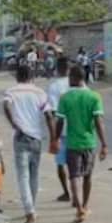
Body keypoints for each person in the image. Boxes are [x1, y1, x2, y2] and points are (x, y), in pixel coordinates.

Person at [52, 65, 108, 223]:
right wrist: (104, 144)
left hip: (72, 144)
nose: (68, 80)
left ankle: (79, 209)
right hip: (89, 143)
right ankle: (84, 205)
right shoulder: (94, 97)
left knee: (74, 176)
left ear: (76, 78)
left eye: (70, 77)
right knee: (88, 176)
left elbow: (60, 122)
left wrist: (56, 139)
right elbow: (98, 122)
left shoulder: (65, 98)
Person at [3, 65, 55, 223]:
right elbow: (49, 115)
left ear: (17, 77)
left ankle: (30, 211)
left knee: (23, 176)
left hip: (20, 137)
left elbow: (6, 105)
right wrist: (54, 138)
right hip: (36, 138)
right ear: (31, 77)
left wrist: (13, 123)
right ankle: (31, 208)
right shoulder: (39, 92)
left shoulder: (11, 92)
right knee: (33, 175)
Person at [47, 57, 71, 202]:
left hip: (62, 131)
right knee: (76, 163)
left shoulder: (54, 86)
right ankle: (78, 192)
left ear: (57, 68)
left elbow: (54, 113)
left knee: (61, 163)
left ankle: (67, 192)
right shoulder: (78, 83)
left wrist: (54, 136)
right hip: (78, 130)